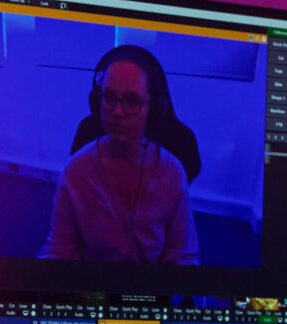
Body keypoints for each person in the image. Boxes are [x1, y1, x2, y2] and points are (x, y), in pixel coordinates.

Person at [42, 52, 200, 266]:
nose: (117, 111)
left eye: (132, 100)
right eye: (108, 97)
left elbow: (183, 256)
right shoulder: (76, 171)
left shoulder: (172, 173)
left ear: (152, 109)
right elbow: (59, 249)